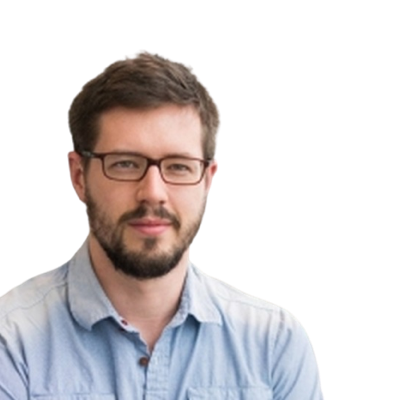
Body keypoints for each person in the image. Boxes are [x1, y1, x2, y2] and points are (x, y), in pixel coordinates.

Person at [0, 50, 324, 399]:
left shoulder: (275, 346)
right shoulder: (12, 340)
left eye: (179, 166)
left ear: (207, 180)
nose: (153, 193)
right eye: (125, 164)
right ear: (79, 176)